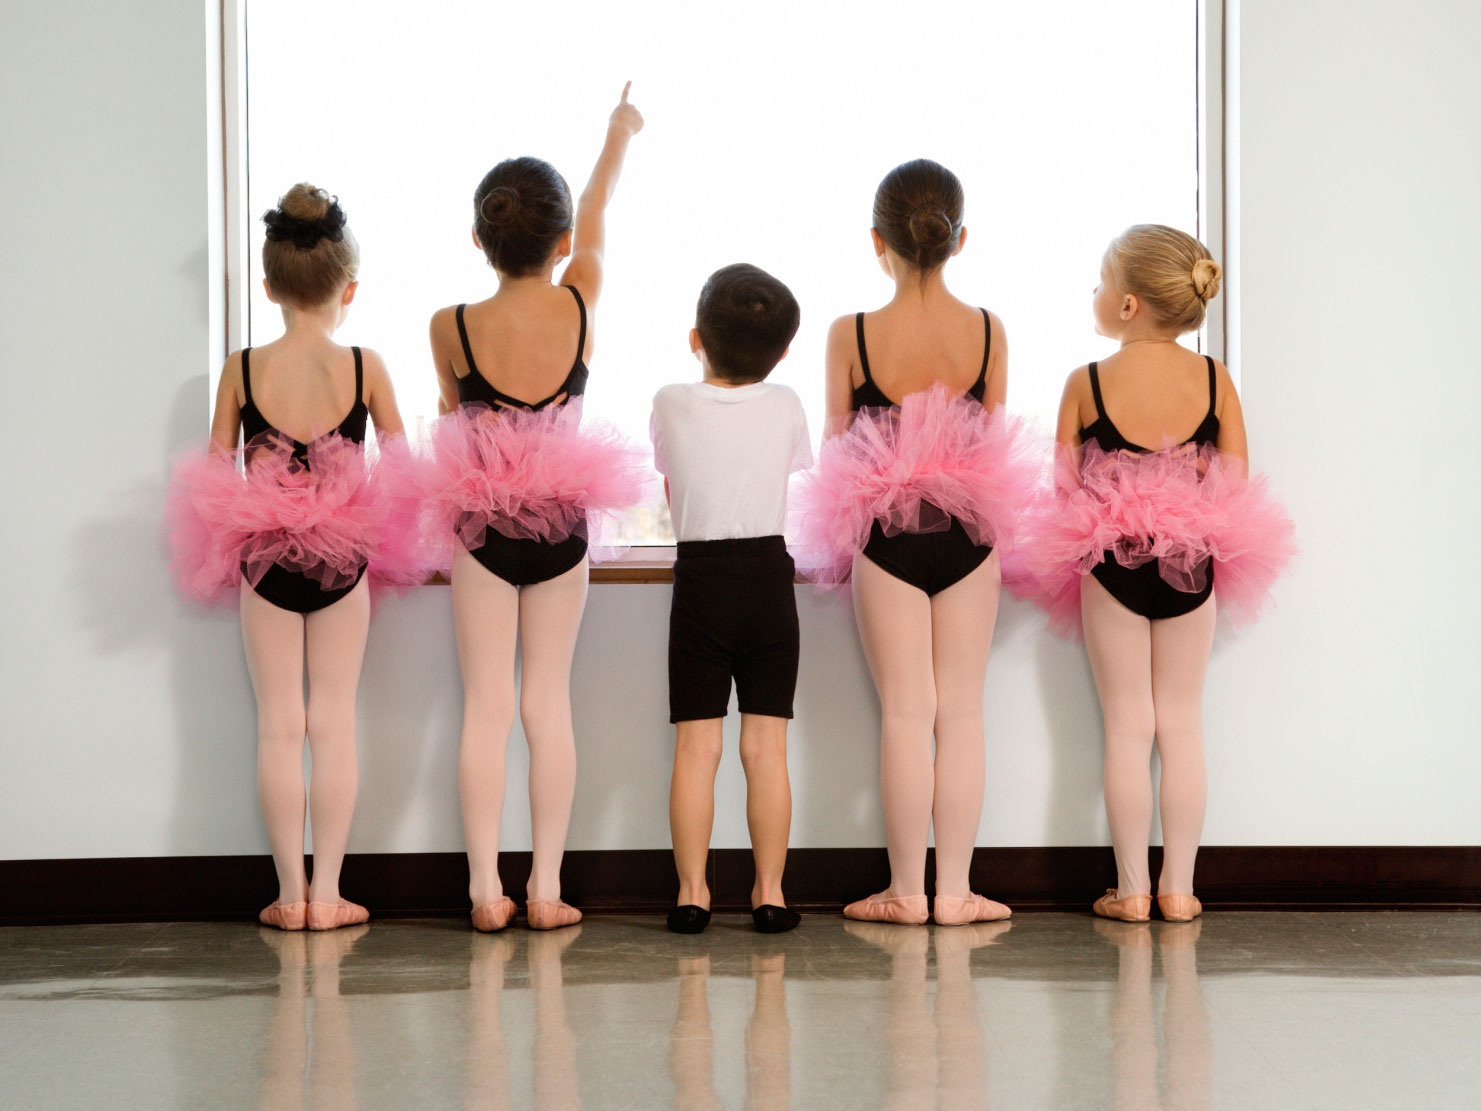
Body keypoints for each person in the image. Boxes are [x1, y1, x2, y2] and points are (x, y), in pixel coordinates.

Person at [418, 84, 647, 932]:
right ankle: (546, 887)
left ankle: (484, 891)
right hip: (560, 527)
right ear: (557, 243)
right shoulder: (580, 298)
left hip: (482, 529)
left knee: (485, 707)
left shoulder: (450, 325)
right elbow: (594, 209)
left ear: (479, 239)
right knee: (546, 704)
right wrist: (618, 130)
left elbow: (451, 418)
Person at [1021, 224, 1294, 921]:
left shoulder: (1085, 382)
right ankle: (1179, 887)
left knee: (1125, 725)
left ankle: (1132, 890)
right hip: (1191, 559)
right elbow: (1234, 479)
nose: (1094, 291)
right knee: (1180, 722)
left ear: (1128, 304)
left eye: (1101, 281)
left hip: (1107, 557)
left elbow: (1061, 488)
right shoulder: (1212, 379)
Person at [792, 160, 1037, 926]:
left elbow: (836, 445)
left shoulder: (851, 334)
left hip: (884, 533)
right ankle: (956, 891)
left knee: (904, 711)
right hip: (969, 530)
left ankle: (904, 890)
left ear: (877, 241)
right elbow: (992, 439)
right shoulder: (989, 330)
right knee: (960, 710)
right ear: (958, 238)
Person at [167, 184, 409, 930]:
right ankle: (331, 892)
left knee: (278, 722)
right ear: (350, 288)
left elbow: (214, 474)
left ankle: (288, 894)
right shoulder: (366, 366)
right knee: (333, 719)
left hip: (265, 560)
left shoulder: (241, 368)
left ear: (269, 287)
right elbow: (403, 465)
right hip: (343, 562)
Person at [651, 263, 811, 935]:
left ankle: (693, 895)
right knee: (765, 749)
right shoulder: (785, 403)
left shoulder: (669, 401)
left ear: (696, 338)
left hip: (701, 580)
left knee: (697, 749)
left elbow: (670, 487)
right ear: (780, 352)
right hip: (767, 580)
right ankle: (768, 893)